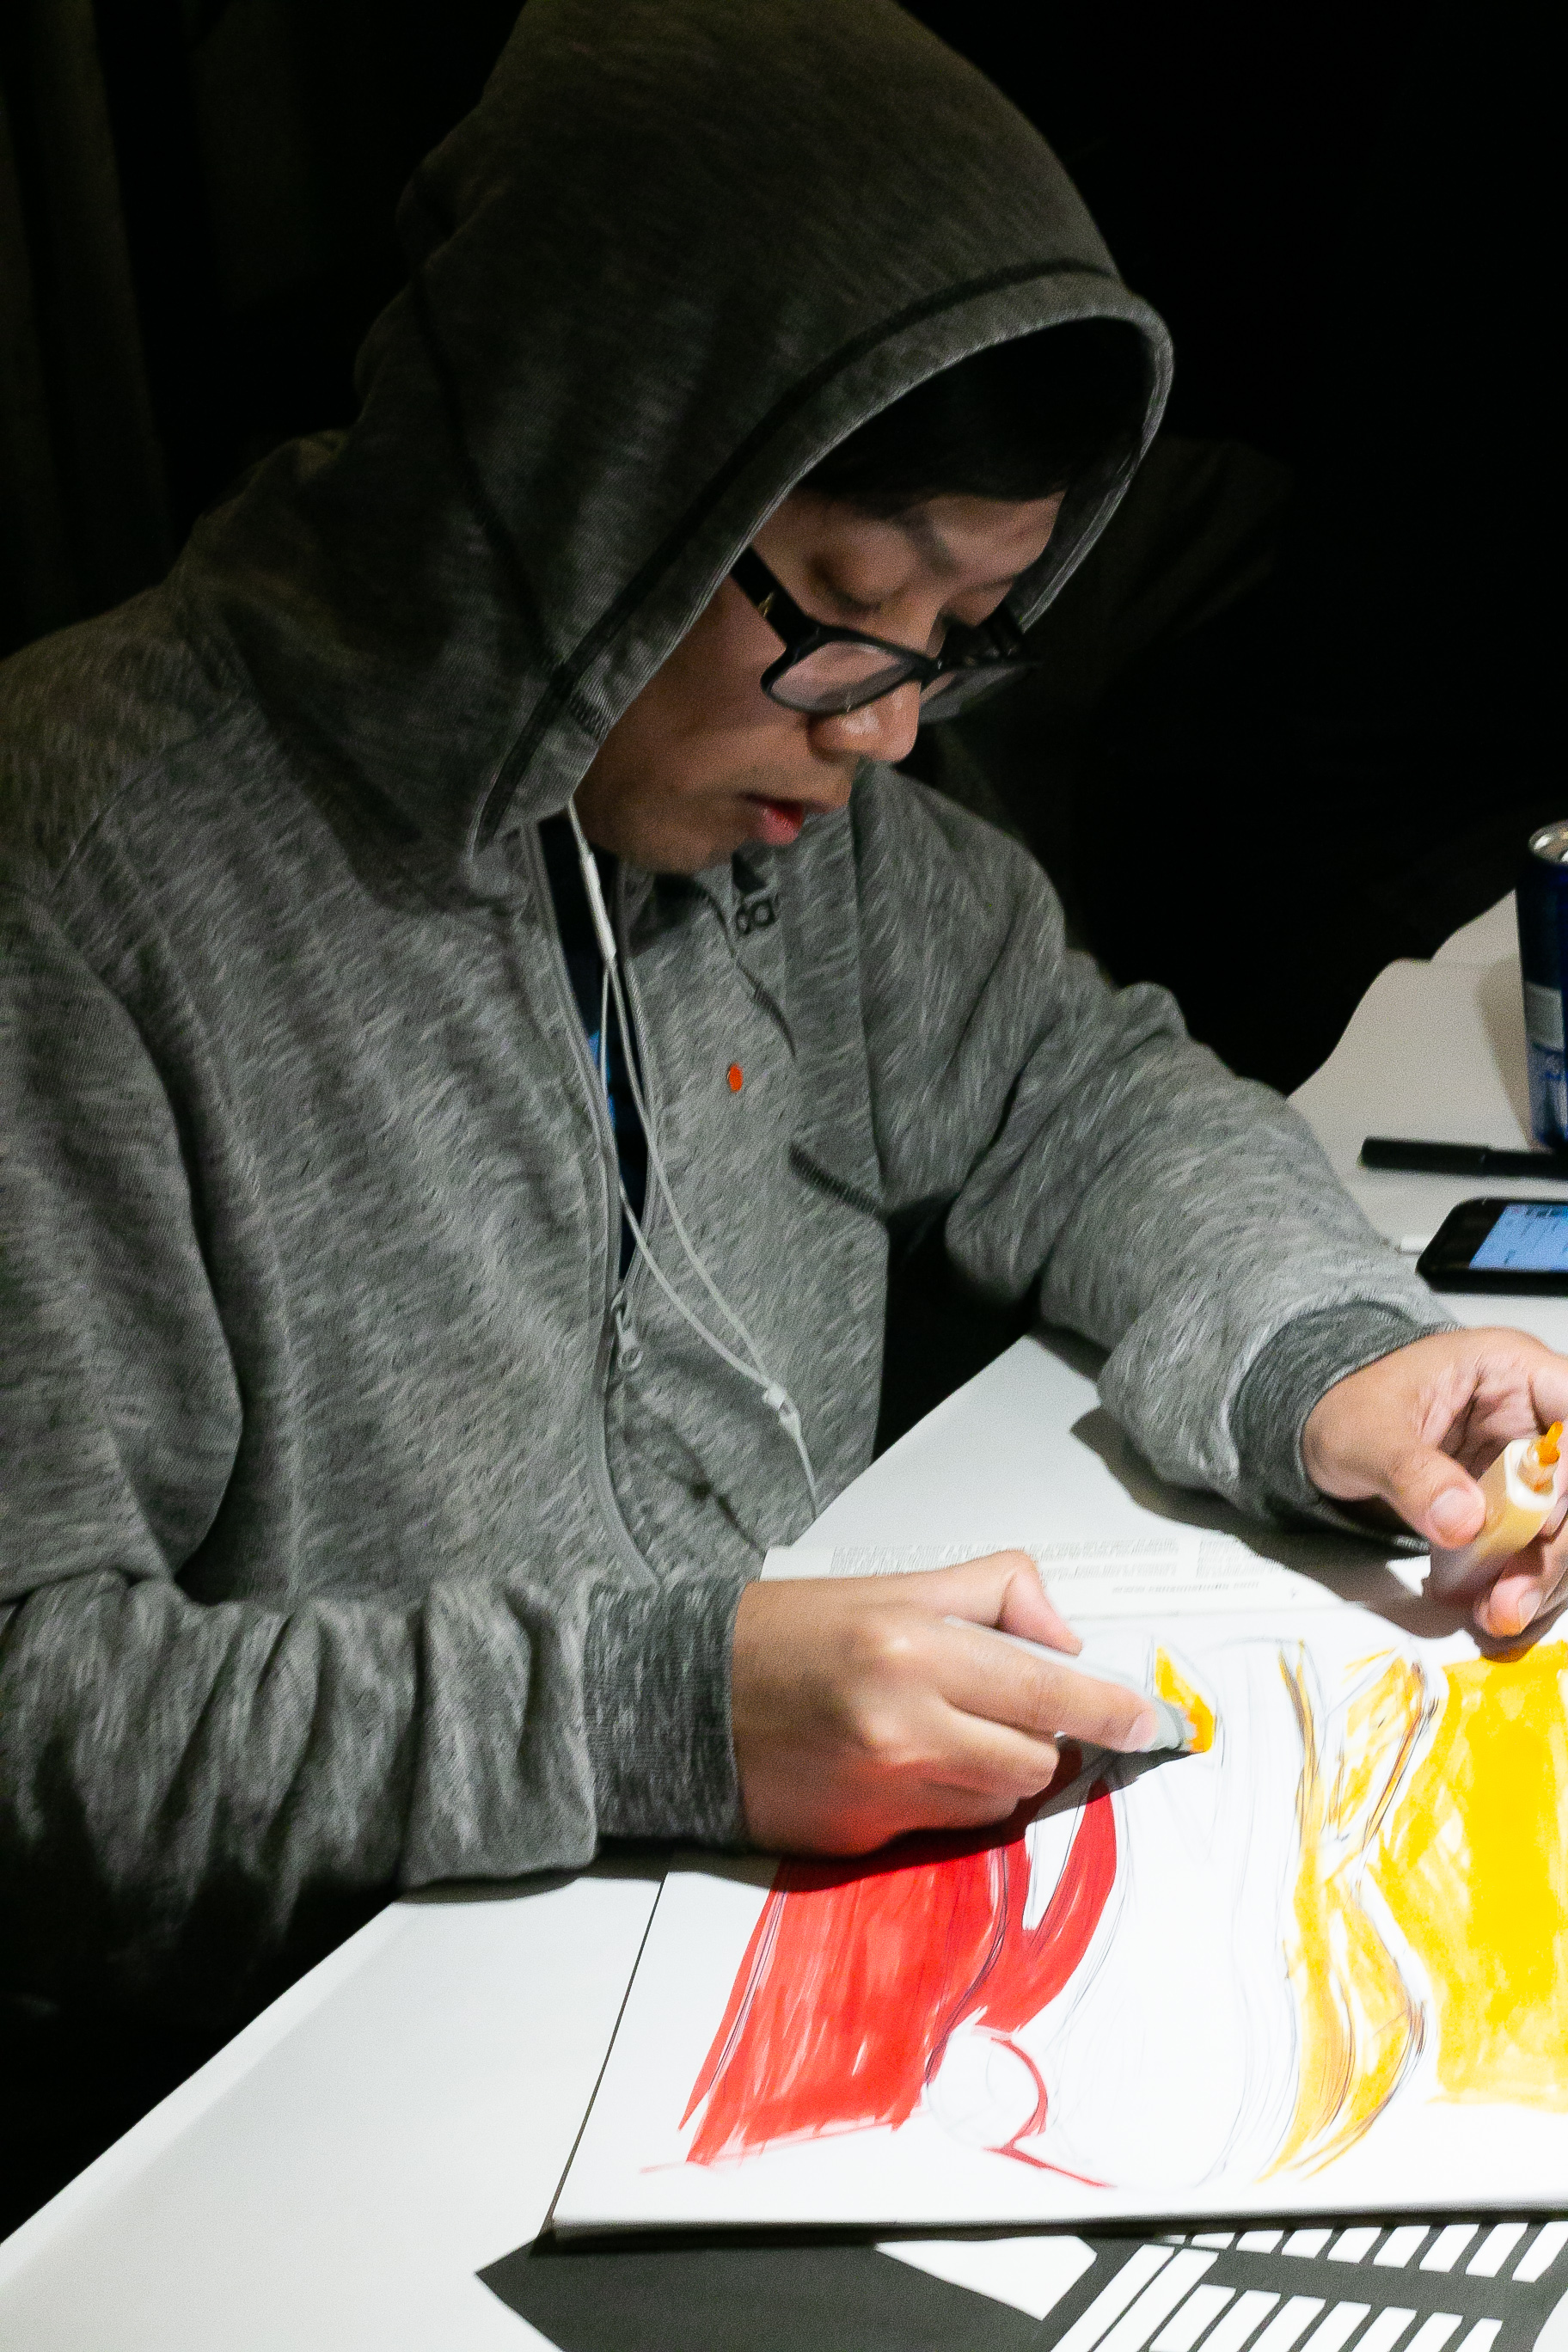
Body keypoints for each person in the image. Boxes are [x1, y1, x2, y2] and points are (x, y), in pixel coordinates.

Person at [3, 0, 1565, 2073]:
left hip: (739, 1946)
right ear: (585, 478)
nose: (891, 728)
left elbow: (1073, 1091)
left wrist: (1330, 1360)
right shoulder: (82, 875)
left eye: (961, 641)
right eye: (844, 608)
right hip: (317, 2064)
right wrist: (663, 1714)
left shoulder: (788, 814)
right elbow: (46, 1715)